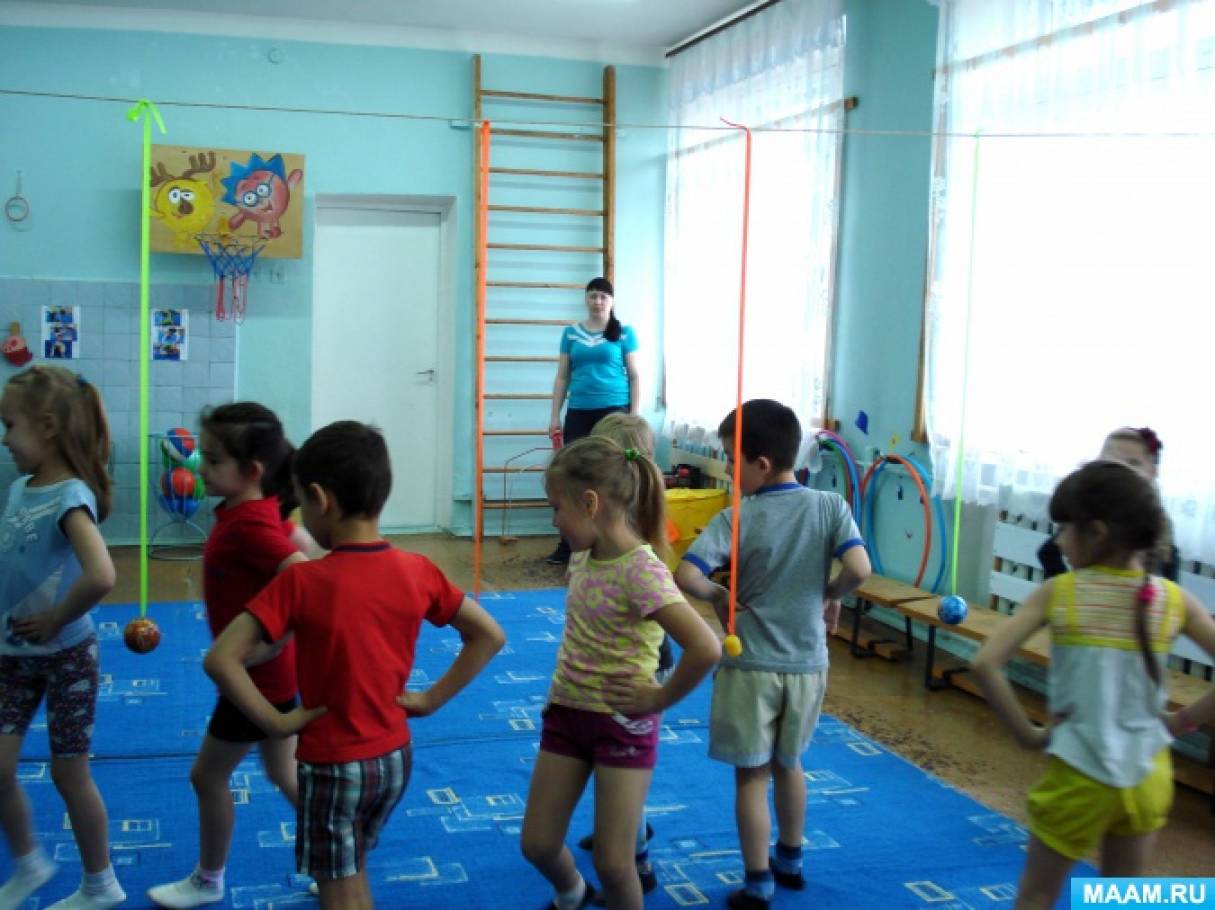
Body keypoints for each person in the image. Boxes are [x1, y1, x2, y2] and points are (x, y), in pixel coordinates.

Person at [204, 420, 506, 910]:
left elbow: (221, 659)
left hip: (333, 767)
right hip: (394, 761)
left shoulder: (301, 583)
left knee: (338, 891)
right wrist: (431, 699)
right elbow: (489, 635)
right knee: (352, 872)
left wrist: (276, 722)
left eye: (301, 504)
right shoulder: (418, 569)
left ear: (320, 499)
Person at [972, 460, 1215, 910]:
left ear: (1097, 532)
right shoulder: (1173, 599)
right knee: (1121, 898)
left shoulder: (1060, 592)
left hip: (1078, 778)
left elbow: (985, 663)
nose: (1059, 541)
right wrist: (1182, 722)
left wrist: (1029, 735)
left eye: (1066, 529)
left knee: (1037, 894)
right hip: (1147, 777)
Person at [674, 399, 871, 910]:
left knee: (751, 777)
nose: (726, 469)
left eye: (730, 458)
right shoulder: (830, 506)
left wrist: (717, 595)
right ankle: (790, 859)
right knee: (790, 764)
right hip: (808, 665)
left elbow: (686, 575)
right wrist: (830, 594)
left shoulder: (736, 516)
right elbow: (859, 569)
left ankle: (758, 881)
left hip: (751, 667)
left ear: (761, 464)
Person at [521, 436, 721, 910]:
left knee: (614, 863)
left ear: (590, 504)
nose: (554, 521)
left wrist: (659, 698)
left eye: (556, 509)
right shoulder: (583, 556)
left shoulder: (642, 570)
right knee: (538, 844)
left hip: (622, 725)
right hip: (567, 714)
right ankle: (573, 892)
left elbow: (705, 647)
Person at [148, 403, 318, 908]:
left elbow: (303, 579)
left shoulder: (250, 525)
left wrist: (273, 642)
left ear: (252, 471)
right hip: (267, 676)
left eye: (213, 459)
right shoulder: (246, 513)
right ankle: (338, 853)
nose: (200, 467)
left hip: (254, 682)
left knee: (207, 776)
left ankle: (209, 879)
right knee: (283, 773)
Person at [0, 366, 126, 910]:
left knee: (69, 773)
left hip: (66, 655)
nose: (4, 439)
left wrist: (56, 618)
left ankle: (101, 883)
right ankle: (29, 863)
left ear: (47, 427)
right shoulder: (19, 488)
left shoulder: (70, 496)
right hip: (12, 654)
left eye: (10, 425)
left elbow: (102, 574)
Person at [572, 414, 671, 892]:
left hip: (636, 665)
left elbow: (676, 621)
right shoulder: (612, 529)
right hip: (609, 660)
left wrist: (658, 692)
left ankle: (638, 856)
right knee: (609, 760)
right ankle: (620, 831)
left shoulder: (633, 538)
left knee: (625, 761)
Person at [546, 277, 641, 565]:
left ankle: (616, 541)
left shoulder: (624, 333)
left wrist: (634, 416)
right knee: (570, 474)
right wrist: (554, 415)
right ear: (586, 300)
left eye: (603, 296)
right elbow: (562, 377)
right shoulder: (570, 334)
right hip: (579, 410)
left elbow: (635, 376)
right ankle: (569, 545)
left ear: (611, 301)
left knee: (614, 475)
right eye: (593, 296)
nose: (598, 301)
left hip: (614, 410)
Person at [1038, 427, 1179, 581]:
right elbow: (1049, 552)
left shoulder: (1155, 516)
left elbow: (1167, 559)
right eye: (1112, 461)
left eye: (1134, 463)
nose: (1123, 469)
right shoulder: (1088, 506)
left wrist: (1162, 591)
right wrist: (1068, 587)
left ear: (1152, 471)